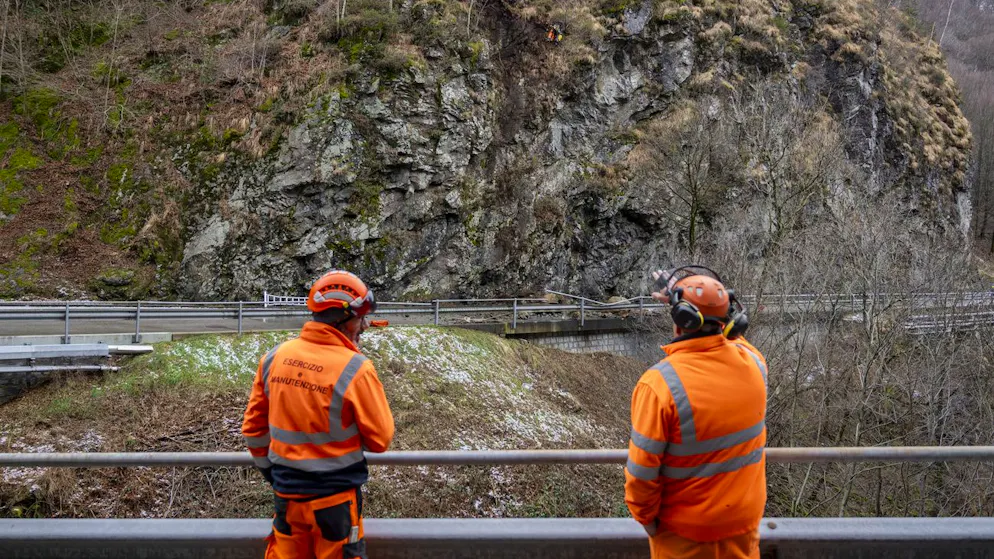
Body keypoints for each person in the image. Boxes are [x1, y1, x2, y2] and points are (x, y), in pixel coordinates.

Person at [242, 270, 395, 559]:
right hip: (335, 505)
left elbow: (253, 430)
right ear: (343, 319)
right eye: (360, 318)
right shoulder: (356, 369)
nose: (364, 326)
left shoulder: (274, 358)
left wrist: (273, 475)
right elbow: (381, 440)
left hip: (287, 499)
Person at [625, 265, 768, 559]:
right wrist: (708, 300)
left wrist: (649, 522)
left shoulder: (659, 385)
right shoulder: (755, 364)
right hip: (743, 528)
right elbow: (735, 342)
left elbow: (641, 475)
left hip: (683, 537)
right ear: (731, 320)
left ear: (680, 321)